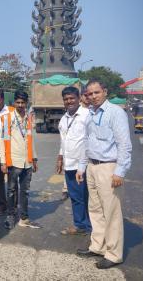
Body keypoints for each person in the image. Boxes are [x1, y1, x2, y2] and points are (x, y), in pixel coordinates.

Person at [76, 79, 132, 269]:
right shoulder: (90, 113)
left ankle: (114, 254)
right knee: (95, 210)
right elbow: (87, 142)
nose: (93, 97)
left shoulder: (115, 113)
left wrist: (120, 171)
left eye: (96, 93)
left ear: (105, 92)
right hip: (92, 166)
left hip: (109, 168)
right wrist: (82, 167)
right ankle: (98, 246)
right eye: (89, 94)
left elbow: (124, 144)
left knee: (111, 212)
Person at [0, 90, 39, 229]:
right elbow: (3, 140)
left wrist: (34, 158)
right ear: (14, 102)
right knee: (11, 190)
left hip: (27, 161)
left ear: (26, 103)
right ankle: (11, 216)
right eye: (18, 102)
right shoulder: (7, 118)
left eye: (23, 102)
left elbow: (30, 139)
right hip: (13, 160)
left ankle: (24, 217)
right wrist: (3, 161)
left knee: (25, 191)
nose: (20, 105)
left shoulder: (28, 118)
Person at [57, 86, 91, 236]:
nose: (69, 101)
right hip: (69, 165)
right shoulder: (64, 118)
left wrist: (83, 166)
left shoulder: (87, 115)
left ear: (78, 98)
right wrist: (60, 158)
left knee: (88, 197)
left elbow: (90, 141)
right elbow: (63, 141)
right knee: (76, 197)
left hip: (84, 165)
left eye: (72, 98)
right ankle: (80, 225)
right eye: (66, 99)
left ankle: (92, 226)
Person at [0, 90, 15, 215]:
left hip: (10, 152)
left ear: (3, 99)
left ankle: (13, 206)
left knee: (12, 182)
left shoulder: (11, 111)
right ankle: (3, 205)